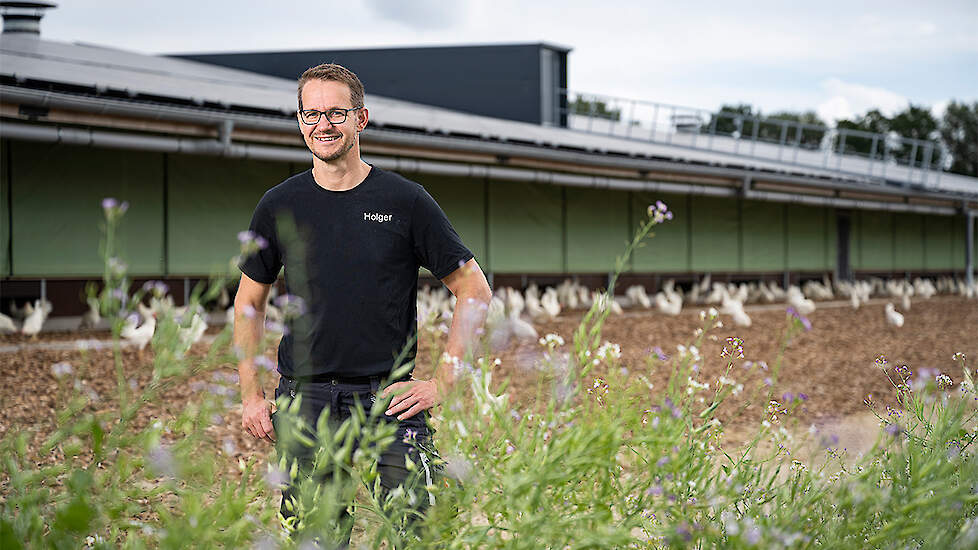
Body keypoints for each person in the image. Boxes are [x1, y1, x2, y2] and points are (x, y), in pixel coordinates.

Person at [233, 63, 493, 546]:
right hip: (304, 399)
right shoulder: (279, 204)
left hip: (388, 399)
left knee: (420, 531)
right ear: (299, 121)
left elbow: (473, 289)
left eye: (336, 113)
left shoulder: (405, 200)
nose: (322, 125)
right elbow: (249, 299)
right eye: (310, 114)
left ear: (361, 118)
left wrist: (445, 380)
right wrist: (250, 393)